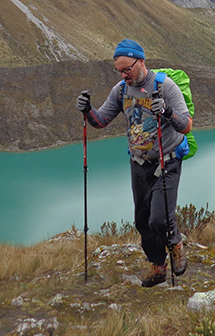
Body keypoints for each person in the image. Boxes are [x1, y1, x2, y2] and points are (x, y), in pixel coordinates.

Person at [76, 39, 193, 287]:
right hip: (139, 163)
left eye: (127, 68)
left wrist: (168, 112)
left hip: (167, 161)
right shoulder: (120, 90)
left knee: (159, 219)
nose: (123, 74)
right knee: (142, 220)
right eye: (119, 70)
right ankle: (158, 265)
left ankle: (176, 244)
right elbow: (101, 121)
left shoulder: (165, 86)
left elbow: (187, 124)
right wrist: (87, 110)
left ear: (141, 61)